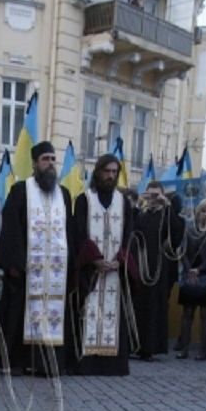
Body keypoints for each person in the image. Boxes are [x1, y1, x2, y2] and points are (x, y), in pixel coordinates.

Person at [0, 141, 76, 376]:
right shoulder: (21, 189)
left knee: (54, 315)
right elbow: (11, 227)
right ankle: (18, 362)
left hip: (56, 273)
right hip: (26, 270)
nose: (50, 164)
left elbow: (68, 231)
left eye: (52, 159)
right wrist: (15, 263)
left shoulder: (64, 194)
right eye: (45, 159)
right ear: (35, 163)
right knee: (19, 315)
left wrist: (69, 265)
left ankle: (48, 363)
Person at [72, 153, 135, 375]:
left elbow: (128, 234)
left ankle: (111, 365)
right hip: (91, 271)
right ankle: (86, 363)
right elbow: (78, 233)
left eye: (114, 172)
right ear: (98, 172)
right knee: (87, 312)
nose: (110, 176)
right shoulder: (84, 199)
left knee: (113, 315)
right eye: (106, 171)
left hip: (115, 273)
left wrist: (120, 260)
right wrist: (95, 259)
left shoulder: (123, 202)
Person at [128, 181, 185, 360]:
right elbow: (130, 230)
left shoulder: (167, 215)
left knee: (155, 307)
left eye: (156, 194)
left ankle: (150, 347)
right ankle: (134, 345)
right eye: (150, 194)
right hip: (140, 265)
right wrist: (138, 203)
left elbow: (176, 234)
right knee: (137, 306)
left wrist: (166, 204)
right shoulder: (142, 214)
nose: (152, 198)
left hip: (159, 268)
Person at [176, 197, 206, 360]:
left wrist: (200, 269)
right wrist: (189, 269)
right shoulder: (189, 228)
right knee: (187, 312)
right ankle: (184, 348)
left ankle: (203, 349)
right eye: (203, 211)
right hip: (189, 274)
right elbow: (183, 251)